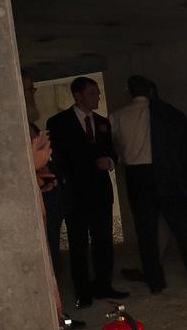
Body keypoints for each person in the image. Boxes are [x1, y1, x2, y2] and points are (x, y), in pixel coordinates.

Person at [111, 75, 187, 294]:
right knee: (183, 230)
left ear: (130, 91)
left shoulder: (118, 116)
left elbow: (116, 150)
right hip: (167, 174)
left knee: (146, 232)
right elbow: (186, 149)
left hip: (137, 175)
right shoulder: (170, 114)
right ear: (150, 91)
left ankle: (155, 282)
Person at [44, 77, 128, 308]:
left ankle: (104, 284)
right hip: (75, 192)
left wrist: (110, 161)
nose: (98, 98)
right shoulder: (59, 122)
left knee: (103, 239)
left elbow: (112, 150)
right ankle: (83, 290)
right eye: (92, 94)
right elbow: (58, 157)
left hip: (100, 190)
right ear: (78, 96)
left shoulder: (102, 122)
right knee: (78, 242)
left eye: (98, 94)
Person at [24, 70, 66, 273]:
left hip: (49, 195)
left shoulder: (29, 124)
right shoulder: (15, 127)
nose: (33, 93)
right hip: (37, 202)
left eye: (33, 88)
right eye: (29, 89)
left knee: (52, 252)